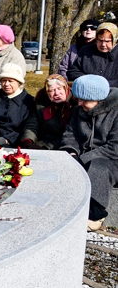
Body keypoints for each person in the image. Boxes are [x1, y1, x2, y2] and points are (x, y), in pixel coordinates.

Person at [59, 74, 118, 230]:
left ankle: (96, 214)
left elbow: (115, 147)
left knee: (98, 167)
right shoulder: (79, 111)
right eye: (78, 99)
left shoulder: (116, 112)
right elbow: (71, 135)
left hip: (111, 159)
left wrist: (84, 158)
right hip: (85, 156)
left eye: (84, 100)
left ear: (98, 98)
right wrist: (71, 153)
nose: (80, 103)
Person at [67, 22, 118, 87]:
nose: (103, 44)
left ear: (114, 40)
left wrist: (104, 84)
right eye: (100, 40)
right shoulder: (86, 50)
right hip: (87, 90)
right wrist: (90, 81)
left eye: (107, 41)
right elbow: (73, 72)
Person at [35, 74, 73, 149]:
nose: (56, 93)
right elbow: (32, 124)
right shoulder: (41, 104)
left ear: (65, 88)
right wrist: (27, 140)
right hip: (44, 142)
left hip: (67, 145)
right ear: (47, 93)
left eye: (59, 88)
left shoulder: (74, 104)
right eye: (51, 90)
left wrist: (47, 147)